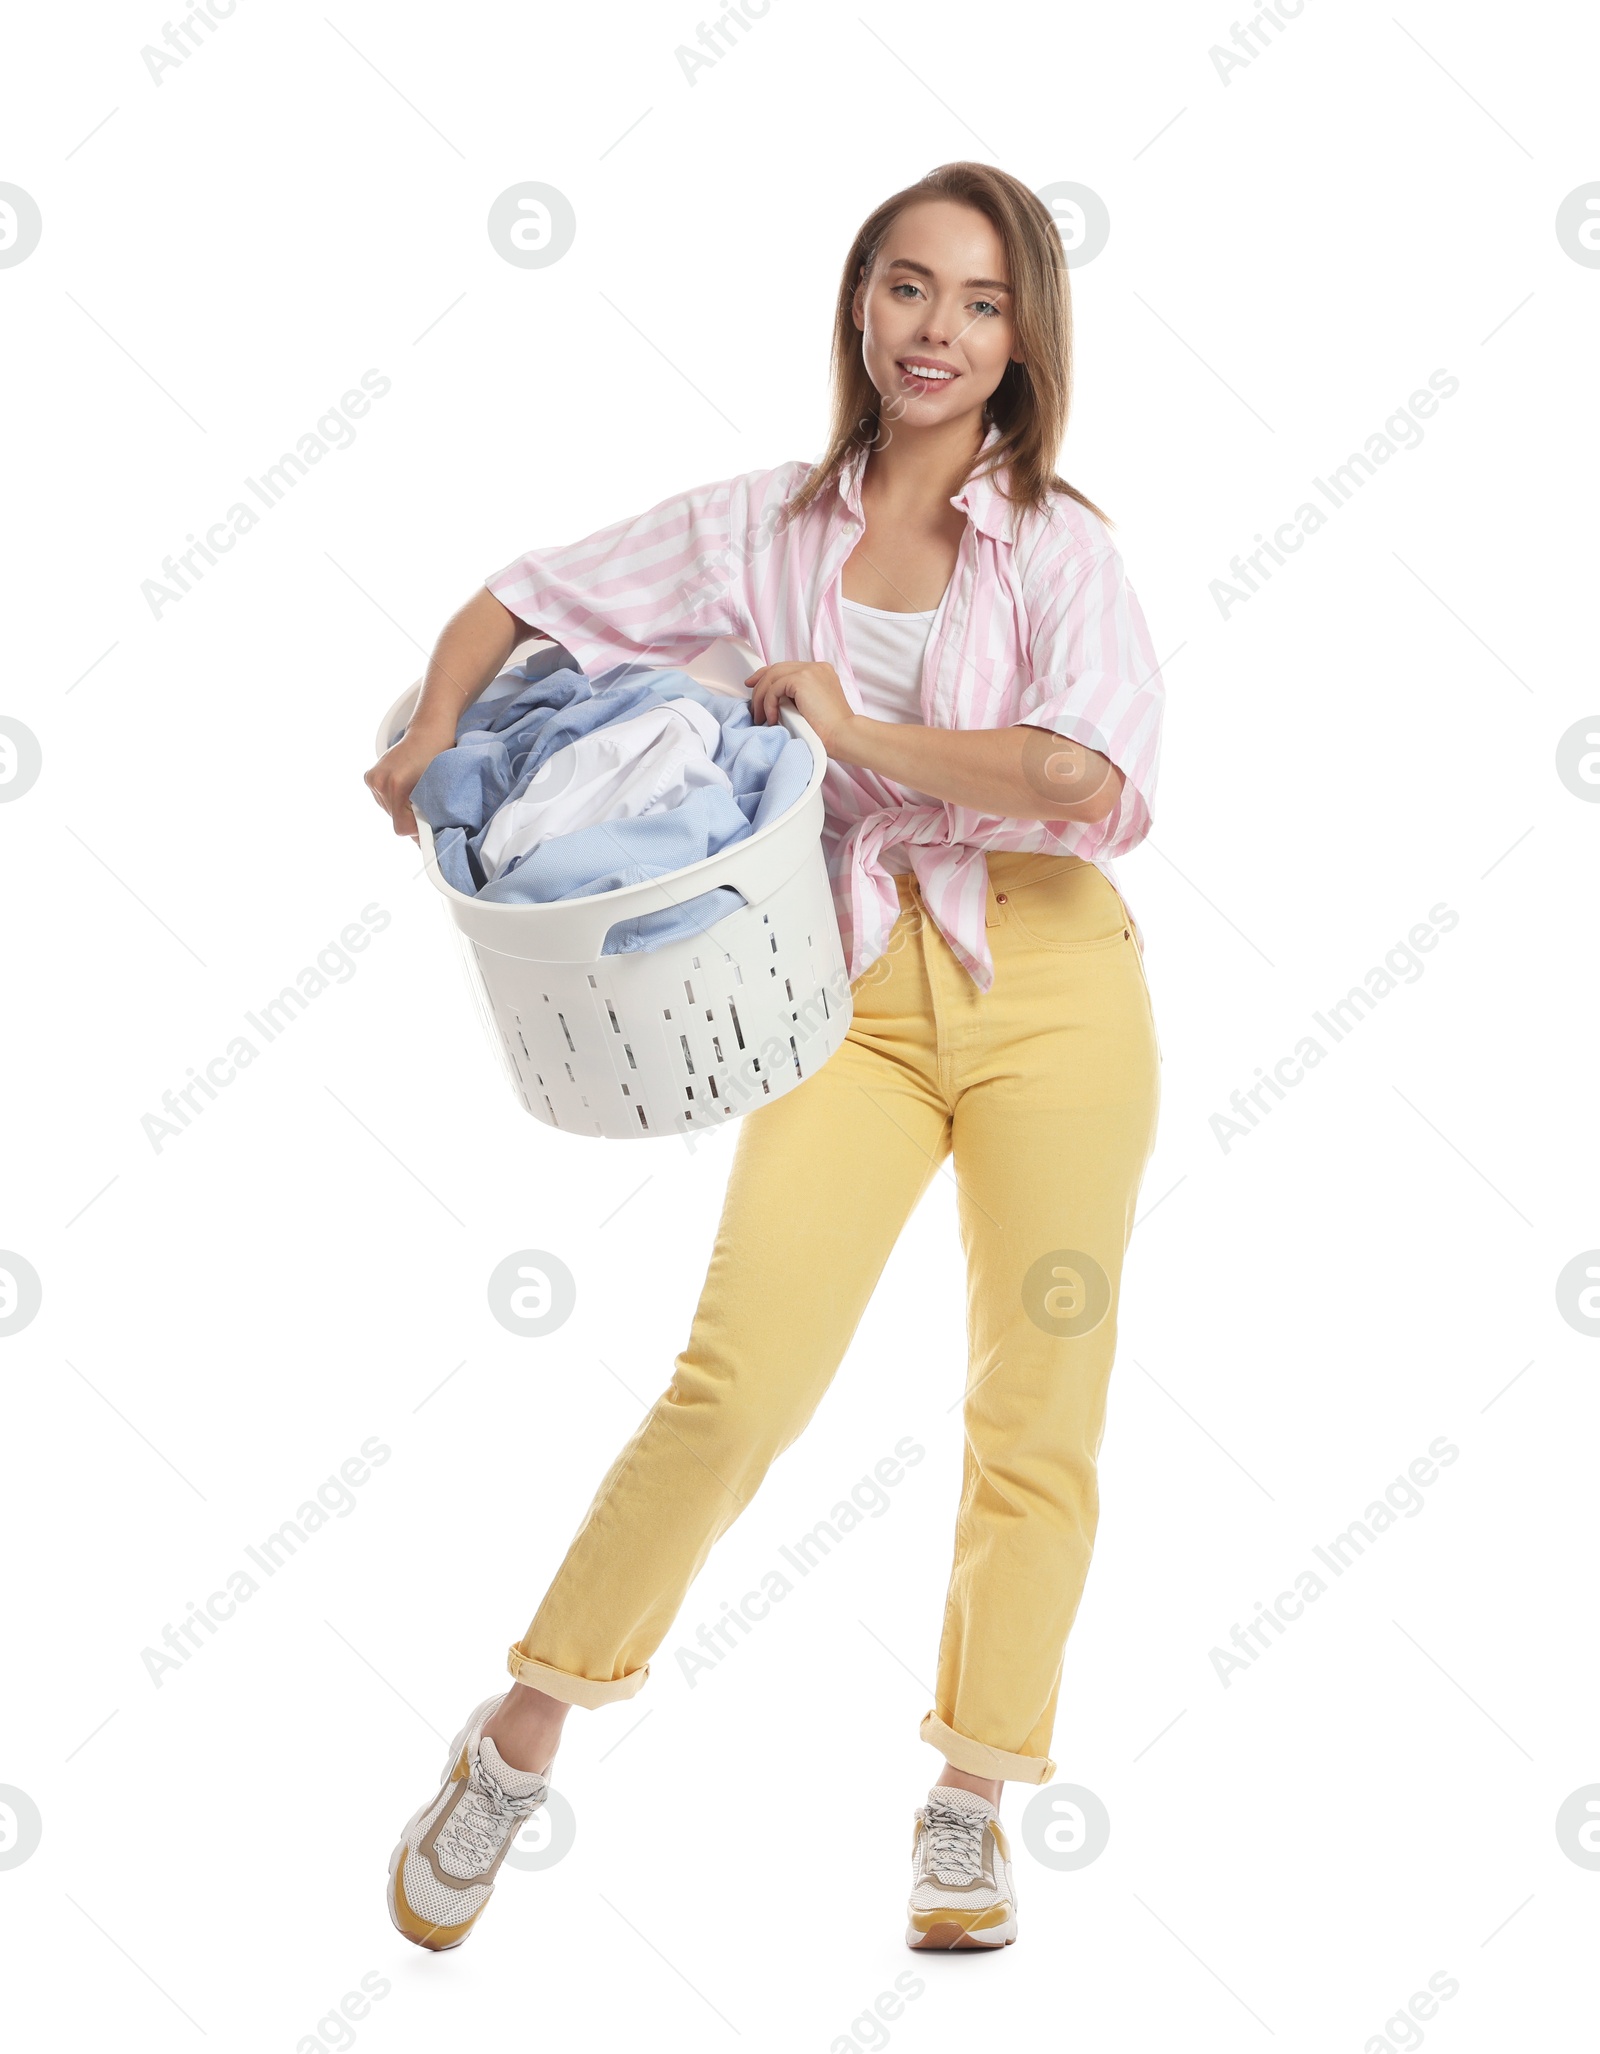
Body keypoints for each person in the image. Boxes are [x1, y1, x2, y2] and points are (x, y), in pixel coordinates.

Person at [365, 159, 1164, 1955]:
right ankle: (520, 1732)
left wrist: (859, 720)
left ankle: (969, 1800)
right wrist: (427, 738)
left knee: (1037, 1406)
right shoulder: (762, 526)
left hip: (1053, 983)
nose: (934, 330)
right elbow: (523, 590)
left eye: (973, 299)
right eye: (903, 287)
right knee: (738, 1379)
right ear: (858, 306)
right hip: (848, 990)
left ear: (1026, 329)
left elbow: (1079, 783)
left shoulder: (1063, 546)